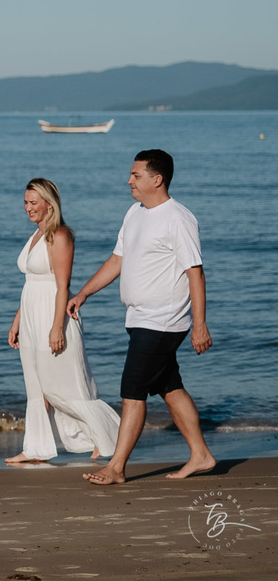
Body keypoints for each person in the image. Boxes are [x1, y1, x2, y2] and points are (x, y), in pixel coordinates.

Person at [67, 150, 215, 485]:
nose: (129, 180)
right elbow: (117, 259)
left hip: (162, 321)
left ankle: (116, 467)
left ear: (156, 179)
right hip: (138, 318)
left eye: (136, 175)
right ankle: (201, 455)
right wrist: (83, 293)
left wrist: (200, 324)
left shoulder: (178, 218)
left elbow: (196, 273)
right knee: (169, 386)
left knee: (132, 389)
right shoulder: (134, 213)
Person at [6, 178, 120, 464]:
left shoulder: (60, 235)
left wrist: (57, 327)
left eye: (33, 203)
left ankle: (110, 436)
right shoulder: (36, 234)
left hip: (51, 315)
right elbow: (31, 283)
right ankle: (35, 448)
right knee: (35, 385)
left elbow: (62, 285)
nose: (27, 208)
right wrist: (17, 322)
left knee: (60, 386)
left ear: (49, 204)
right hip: (31, 315)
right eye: (25, 202)